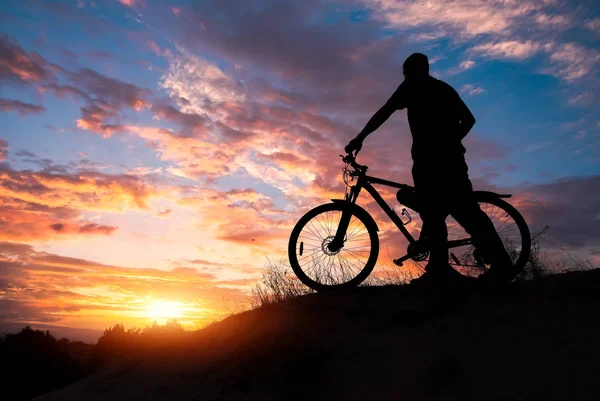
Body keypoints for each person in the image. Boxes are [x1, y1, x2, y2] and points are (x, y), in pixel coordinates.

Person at [345, 52, 514, 286]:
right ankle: (446, 269)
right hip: (444, 160)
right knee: (451, 213)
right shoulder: (443, 89)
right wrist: (453, 141)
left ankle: (449, 270)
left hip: (431, 162)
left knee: (450, 213)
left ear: (415, 71)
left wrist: (360, 137)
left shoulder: (412, 87)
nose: (404, 78)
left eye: (406, 73)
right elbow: (469, 120)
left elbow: (385, 111)